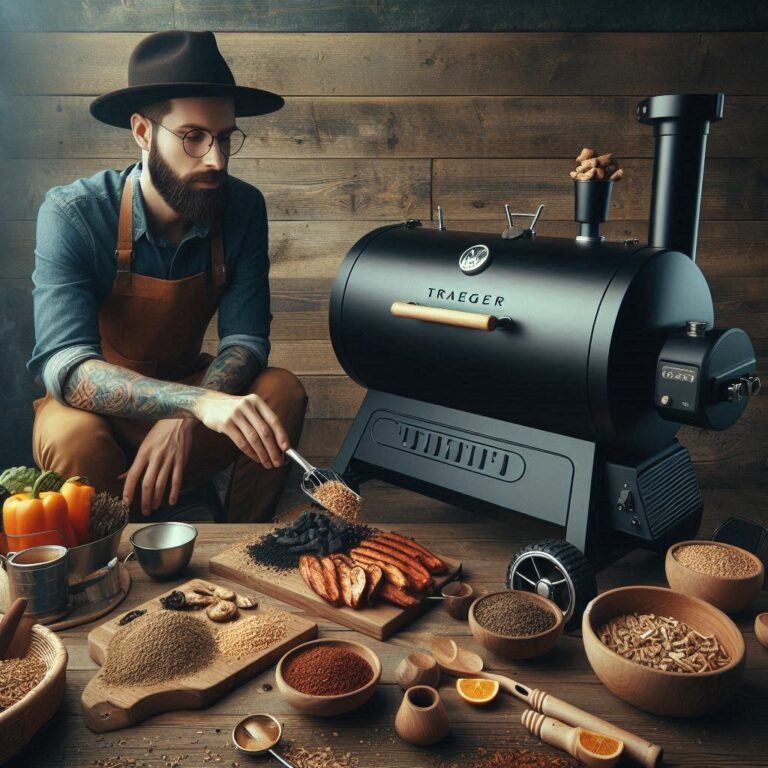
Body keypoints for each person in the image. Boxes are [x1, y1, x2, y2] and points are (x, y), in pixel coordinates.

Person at [28, 30, 308, 522]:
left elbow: (245, 339)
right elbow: (66, 368)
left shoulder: (242, 207)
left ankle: (245, 544)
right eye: (193, 137)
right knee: (69, 435)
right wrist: (192, 403)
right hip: (97, 415)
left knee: (281, 392)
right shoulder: (73, 213)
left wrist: (185, 414)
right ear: (142, 132)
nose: (215, 160)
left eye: (225, 138)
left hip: (192, 398)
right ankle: (111, 553)